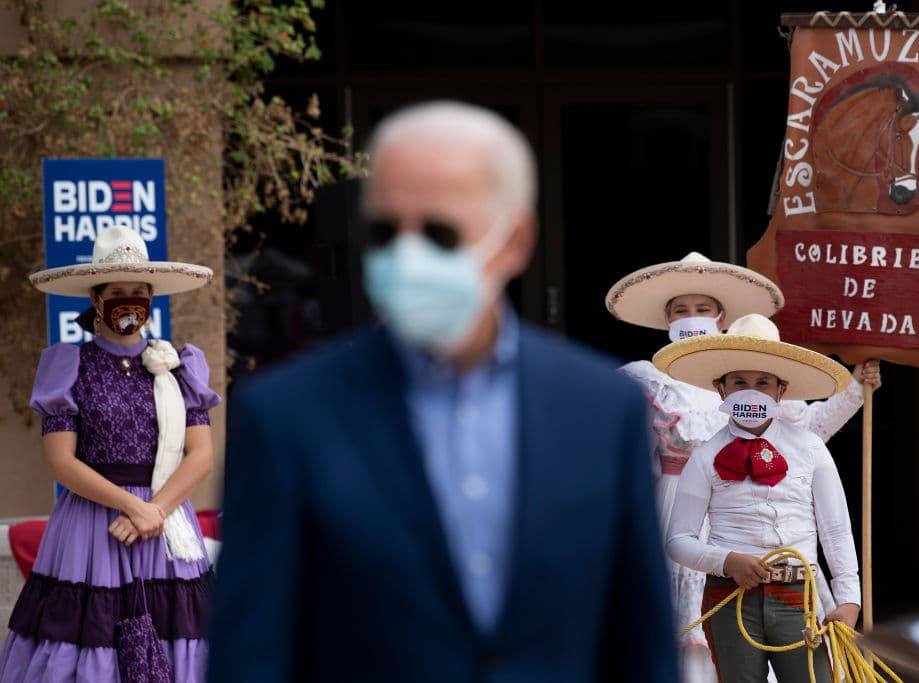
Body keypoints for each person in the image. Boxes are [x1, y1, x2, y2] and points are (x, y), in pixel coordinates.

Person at [207, 101, 677, 683]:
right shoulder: (282, 418)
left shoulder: (603, 413)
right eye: (384, 232)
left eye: (439, 231)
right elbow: (249, 658)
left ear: (515, 242)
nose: (408, 255)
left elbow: (641, 650)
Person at [604, 251, 880, 680]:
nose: (692, 316)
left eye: (702, 309)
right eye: (681, 309)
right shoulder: (648, 379)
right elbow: (627, 460)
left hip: (787, 574)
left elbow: (829, 500)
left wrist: (857, 389)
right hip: (678, 510)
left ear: (721, 316)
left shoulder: (790, 424)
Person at [0, 226, 220, 682]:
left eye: (138, 291)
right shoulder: (70, 365)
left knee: (173, 637)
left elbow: (200, 455)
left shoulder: (178, 367)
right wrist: (131, 506)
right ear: (96, 299)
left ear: (152, 296)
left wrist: (153, 511)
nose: (129, 300)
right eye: (117, 291)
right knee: (88, 640)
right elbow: (61, 460)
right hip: (94, 525)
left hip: (165, 520)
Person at [658, 313, 861, 681]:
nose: (751, 390)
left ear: (780, 389)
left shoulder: (811, 449)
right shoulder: (704, 456)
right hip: (729, 597)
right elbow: (678, 540)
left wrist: (849, 599)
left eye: (762, 382)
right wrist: (726, 560)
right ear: (721, 388)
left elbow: (836, 531)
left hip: (799, 596)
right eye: (740, 382)